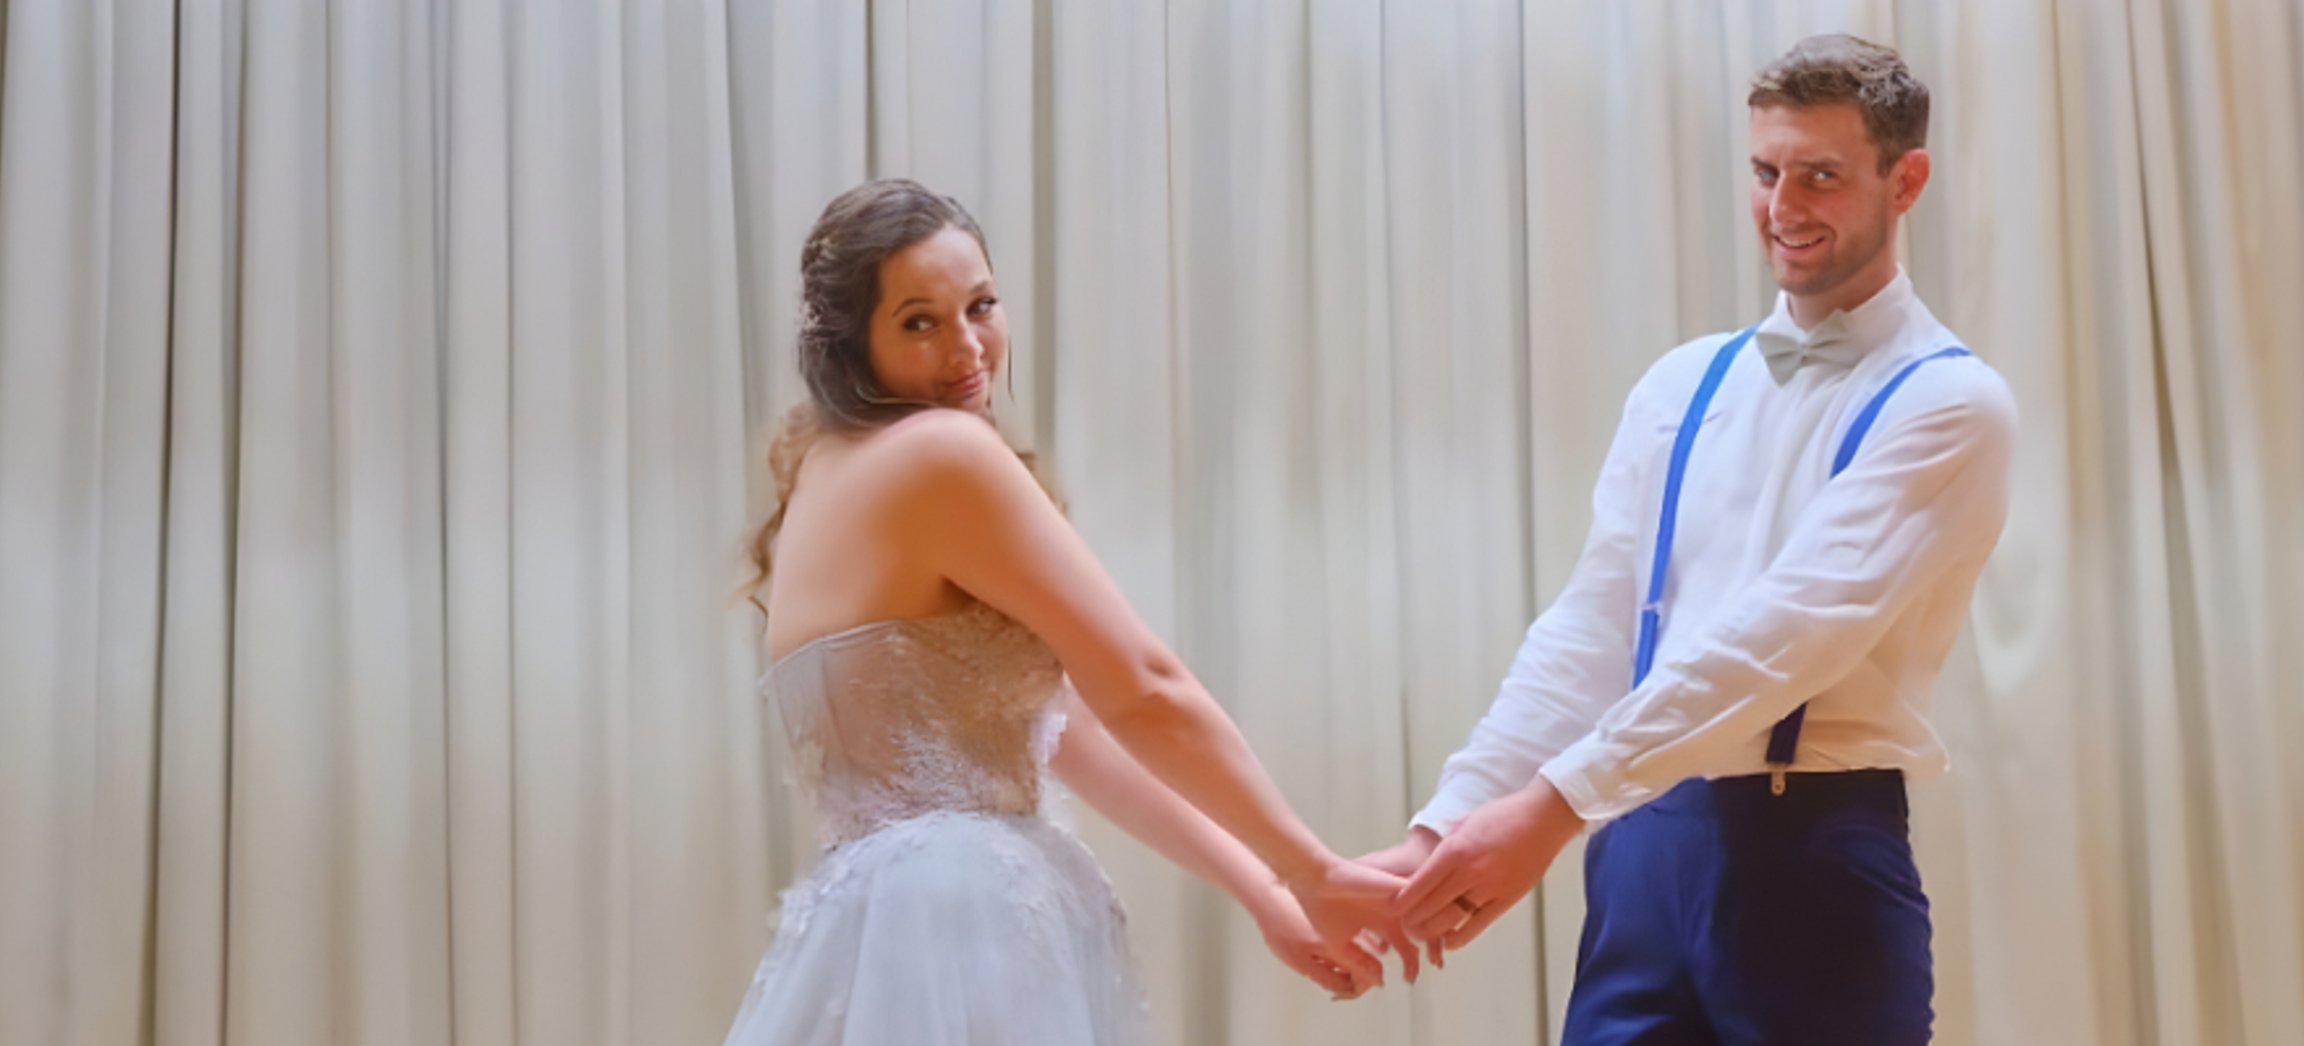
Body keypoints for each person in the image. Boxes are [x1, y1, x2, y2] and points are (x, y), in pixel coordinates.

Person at [1362, 34, 2016, 1045]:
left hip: (1816, 852)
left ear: (1908, 179)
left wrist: (1547, 807)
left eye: (1822, 175)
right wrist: (1450, 818)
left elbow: (1786, 635)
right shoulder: (1680, 384)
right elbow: (1594, 624)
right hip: (1637, 851)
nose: (1784, 206)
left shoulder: (1951, 401)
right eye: (1765, 171)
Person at [722, 178, 1411, 1045]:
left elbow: (1065, 732)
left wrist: (1264, 889)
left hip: (865, 930)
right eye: (919, 321)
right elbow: (1146, 687)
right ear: (853, 344)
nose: (968, 347)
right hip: (967, 915)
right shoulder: (941, 454)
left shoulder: (819, 479)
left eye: (982, 305)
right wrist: (1310, 868)